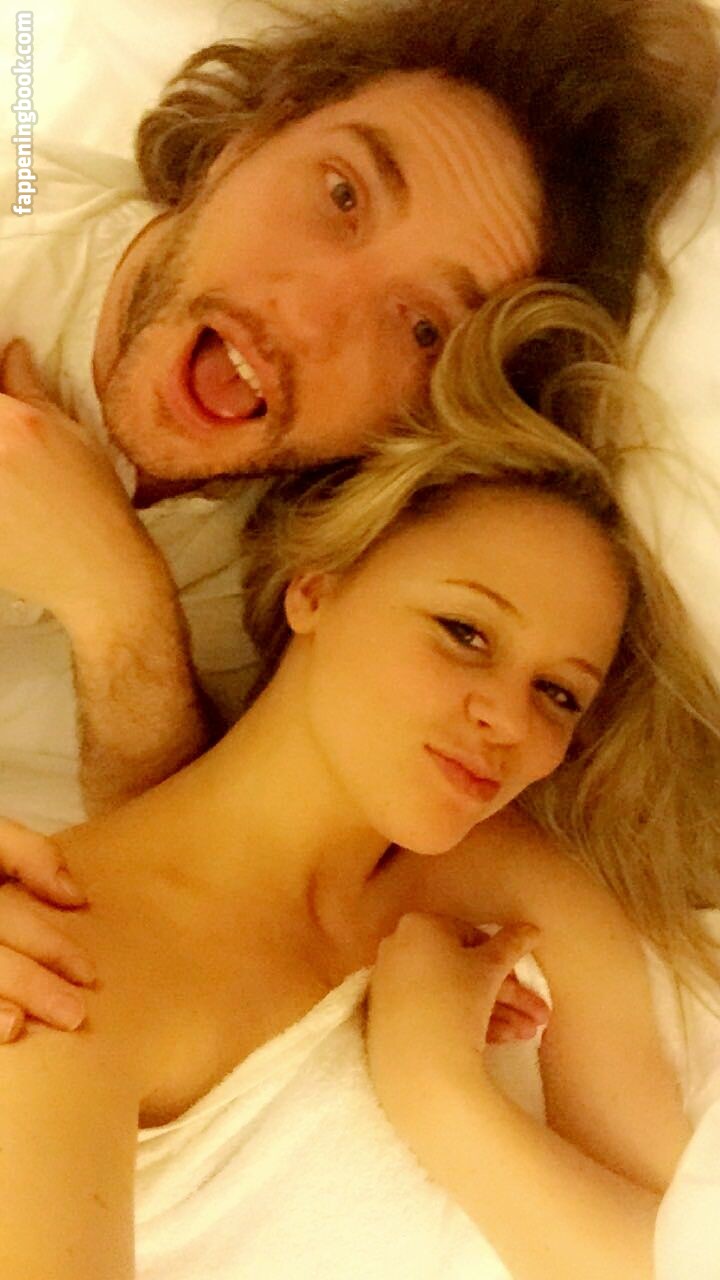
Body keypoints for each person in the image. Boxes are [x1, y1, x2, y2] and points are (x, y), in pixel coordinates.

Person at [0, 285, 718, 1279]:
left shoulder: (518, 883)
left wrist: (440, 1091)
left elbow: (680, 1253)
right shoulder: (53, 971)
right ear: (317, 587)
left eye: (559, 693)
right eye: (464, 631)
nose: (510, 721)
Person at [0, 0, 718, 838]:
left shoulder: (336, 586)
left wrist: (119, 610)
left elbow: (181, 871)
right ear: (244, 142)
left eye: (423, 328)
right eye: (342, 195)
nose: (309, 319)